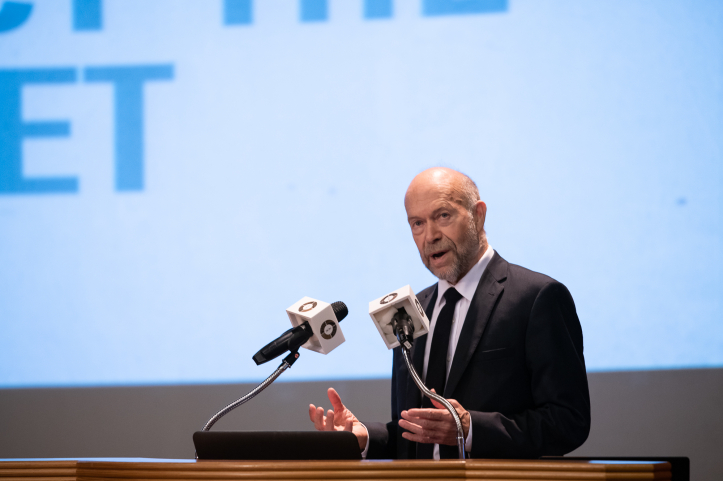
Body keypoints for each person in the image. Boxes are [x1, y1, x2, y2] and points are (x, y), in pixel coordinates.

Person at [309, 167, 590, 459]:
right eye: (417, 223)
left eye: (443, 216)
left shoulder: (536, 298)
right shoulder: (407, 312)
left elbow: (569, 422)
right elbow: (417, 436)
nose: (430, 235)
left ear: (478, 216)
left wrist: (469, 430)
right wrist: (364, 437)